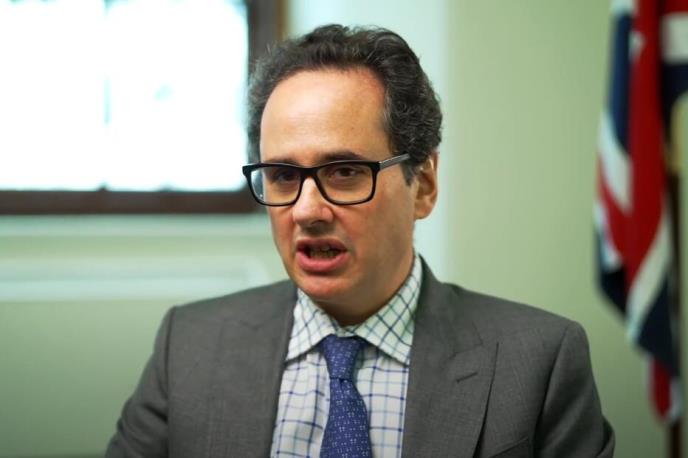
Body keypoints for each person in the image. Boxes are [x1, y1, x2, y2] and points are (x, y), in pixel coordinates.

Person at [106, 24, 614, 457]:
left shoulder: (539, 362)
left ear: (423, 186)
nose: (307, 211)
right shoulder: (188, 346)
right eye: (282, 175)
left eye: (345, 171)